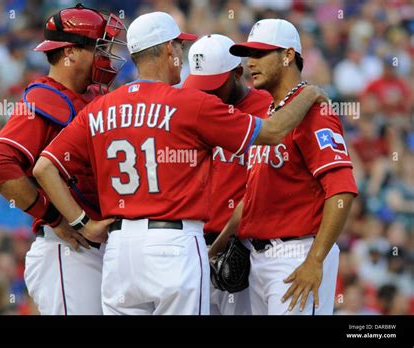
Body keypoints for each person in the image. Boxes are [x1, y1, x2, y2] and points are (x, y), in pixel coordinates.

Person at [33, 12, 327, 315]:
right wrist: (309, 94)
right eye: (178, 47)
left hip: (119, 251)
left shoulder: (100, 107)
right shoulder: (190, 103)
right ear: (168, 49)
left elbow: (45, 167)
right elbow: (273, 131)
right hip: (173, 245)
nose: (180, 55)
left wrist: (84, 223)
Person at [0, 3, 126, 315]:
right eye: (97, 48)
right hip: (68, 251)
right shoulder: (44, 98)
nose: (106, 56)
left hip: (101, 246)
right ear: (69, 53)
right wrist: (57, 218)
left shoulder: (91, 96)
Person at [209, 19, 358, 315]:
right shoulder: (271, 115)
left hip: (296, 254)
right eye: (248, 55)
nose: (250, 63)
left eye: (260, 54)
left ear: (288, 55)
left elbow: (342, 190)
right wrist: (210, 254)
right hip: (258, 258)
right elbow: (250, 200)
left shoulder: (315, 112)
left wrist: (315, 260)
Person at [182, 34, 272, 315]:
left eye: (213, 87)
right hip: (195, 244)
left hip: (241, 248)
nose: (207, 94)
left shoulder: (268, 108)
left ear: (237, 73)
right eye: (201, 86)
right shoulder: (191, 106)